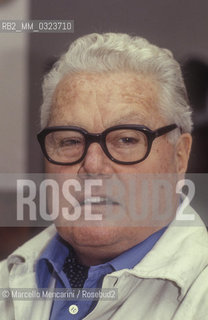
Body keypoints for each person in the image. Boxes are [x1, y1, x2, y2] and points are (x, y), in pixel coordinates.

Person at [1, 33, 208, 320]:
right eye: (70, 141)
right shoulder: (8, 281)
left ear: (179, 157)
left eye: (125, 140)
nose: (93, 166)